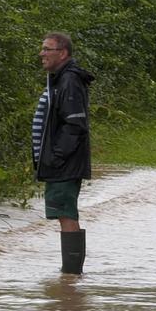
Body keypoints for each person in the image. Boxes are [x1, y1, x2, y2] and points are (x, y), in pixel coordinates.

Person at [32, 32, 95, 275]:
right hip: (60, 162)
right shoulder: (61, 79)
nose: (42, 53)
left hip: (64, 163)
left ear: (63, 53)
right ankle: (71, 274)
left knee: (66, 214)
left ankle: (70, 275)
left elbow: (75, 124)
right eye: (43, 48)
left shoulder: (68, 81)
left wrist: (56, 157)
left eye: (48, 49)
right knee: (64, 214)